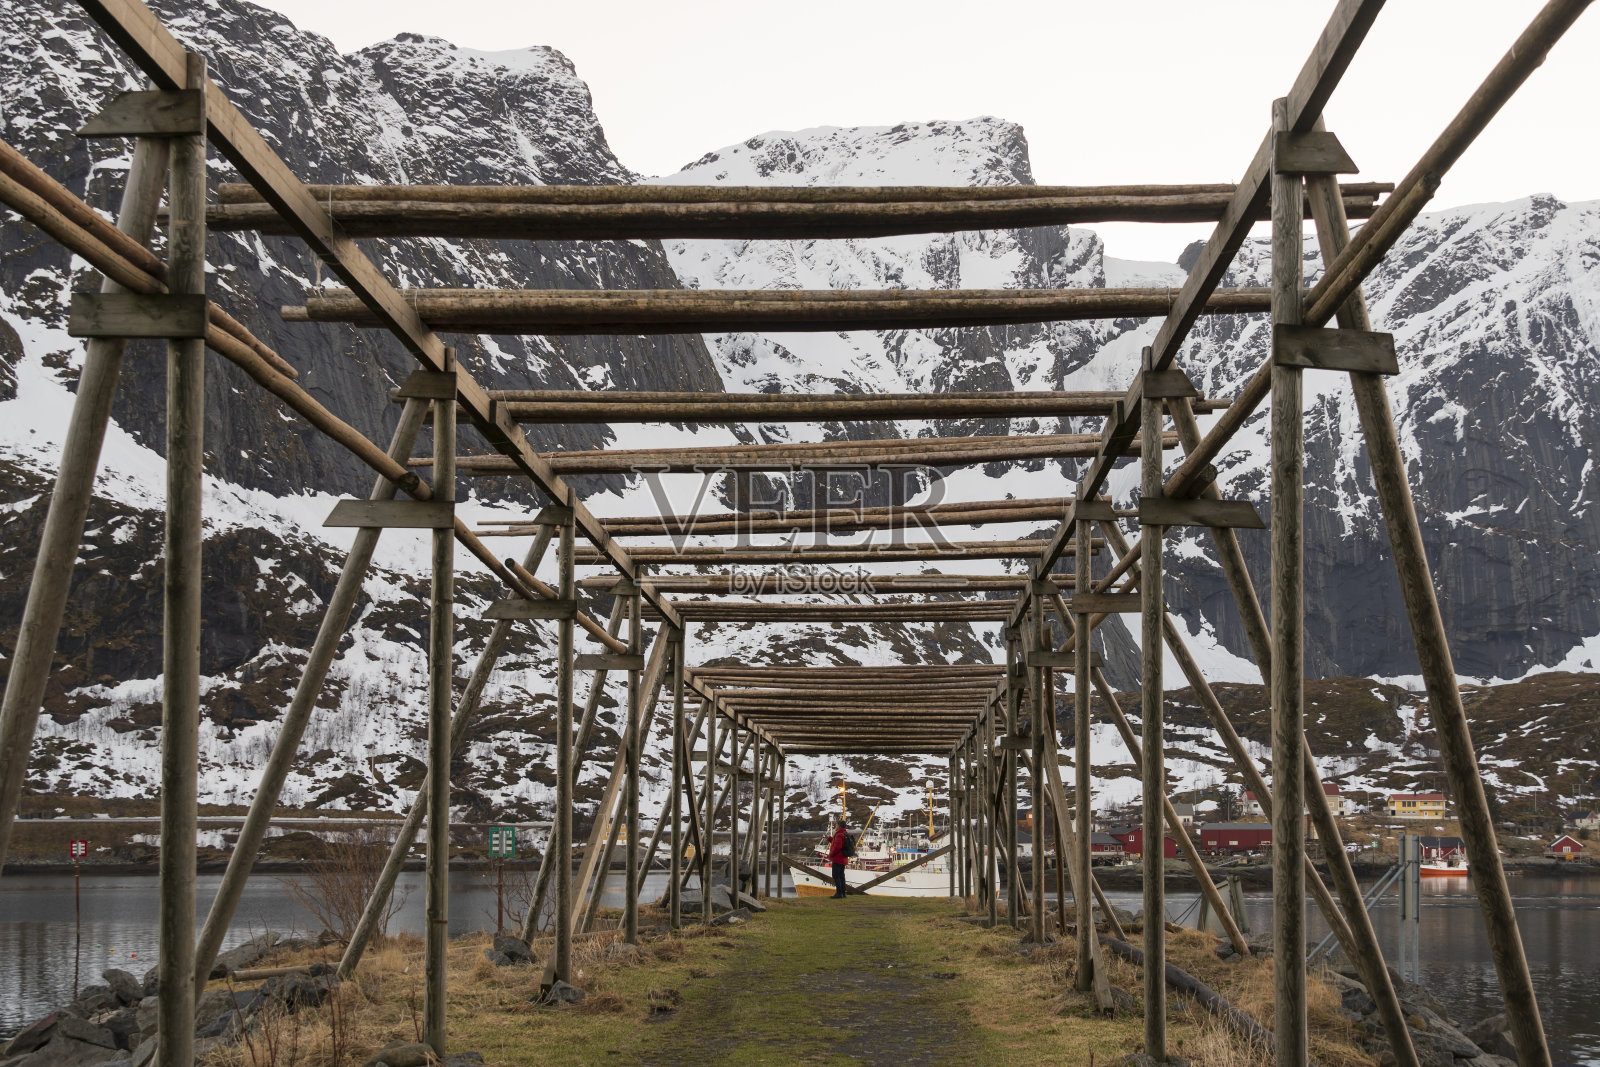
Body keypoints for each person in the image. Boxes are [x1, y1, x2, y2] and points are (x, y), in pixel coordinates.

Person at [825, 816, 850, 898]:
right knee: (841, 876)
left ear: (839, 826)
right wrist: (829, 839)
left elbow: (837, 847)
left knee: (836, 876)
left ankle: (839, 893)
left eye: (836, 825)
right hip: (843, 859)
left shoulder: (839, 835)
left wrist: (830, 855)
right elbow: (836, 843)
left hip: (838, 859)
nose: (835, 826)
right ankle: (843, 893)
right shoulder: (844, 833)